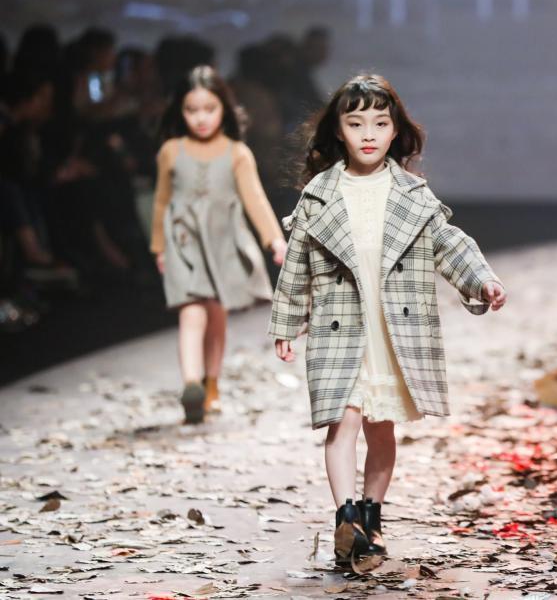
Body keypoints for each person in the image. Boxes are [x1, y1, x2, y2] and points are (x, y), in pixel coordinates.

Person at [268, 73, 507, 567]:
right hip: (339, 328)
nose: (369, 134)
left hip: (394, 331)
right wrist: (286, 323)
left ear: (396, 130)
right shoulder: (319, 194)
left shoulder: (413, 195)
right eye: (356, 123)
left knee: (381, 430)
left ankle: (371, 518)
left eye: (380, 123)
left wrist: (481, 280)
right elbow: (296, 264)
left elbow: (449, 242)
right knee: (341, 423)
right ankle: (346, 518)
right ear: (338, 131)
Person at [151, 65, 287, 424]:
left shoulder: (237, 152)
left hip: (224, 241)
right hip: (184, 241)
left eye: (209, 109)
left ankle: (210, 383)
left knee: (215, 314)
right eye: (191, 110)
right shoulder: (171, 151)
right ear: (180, 111)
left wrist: (274, 239)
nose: (200, 118)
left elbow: (255, 199)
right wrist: (159, 246)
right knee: (191, 311)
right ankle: (191, 384)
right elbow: (161, 201)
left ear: (224, 109)